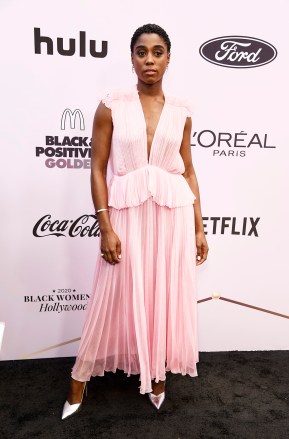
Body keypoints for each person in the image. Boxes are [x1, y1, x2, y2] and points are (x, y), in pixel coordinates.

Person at [62, 23, 208, 420]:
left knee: (162, 292)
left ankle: (156, 373)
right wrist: (104, 225)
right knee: (113, 289)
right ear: (131, 58)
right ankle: (80, 377)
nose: (150, 60)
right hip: (125, 212)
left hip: (172, 213)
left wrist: (199, 225)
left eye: (157, 52)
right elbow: (96, 166)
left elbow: (189, 170)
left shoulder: (181, 111)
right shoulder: (111, 105)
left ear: (168, 58)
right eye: (142, 52)